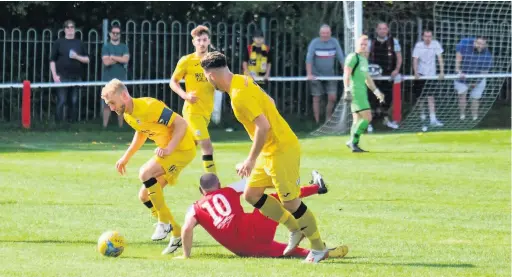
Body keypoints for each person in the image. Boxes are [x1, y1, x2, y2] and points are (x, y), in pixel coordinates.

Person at [200, 51, 329, 263]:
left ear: (212, 75)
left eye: (206, 76)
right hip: (270, 150)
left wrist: (250, 160)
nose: (207, 80)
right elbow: (269, 100)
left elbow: (264, 127)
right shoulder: (242, 79)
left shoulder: (238, 97)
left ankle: (317, 247)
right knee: (251, 194)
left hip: (281, 149)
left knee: (291, 203)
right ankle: (295, 229)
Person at [101, 79, 196, 253]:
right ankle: (176, 232)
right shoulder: (129, 114)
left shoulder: (149, 106)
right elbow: (141, 133)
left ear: (124, 95)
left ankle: (163, 223)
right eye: (109, 105)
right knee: (144, 196)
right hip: (170, 151)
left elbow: (181, 123)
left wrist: (169, 148)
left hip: (182, 149)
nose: (112, 108)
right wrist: (125, 157)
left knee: (145, 173)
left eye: (113, 103)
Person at [168, 172, 348, 260]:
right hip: (253, 229)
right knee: (271, 200)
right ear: (219, 184)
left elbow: (187, 228)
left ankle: (323, 253)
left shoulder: (195, 207)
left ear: (201, 191)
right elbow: (256, 184)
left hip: (242, 250)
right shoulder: (228, 189)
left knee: (287, 252)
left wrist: (186, 255)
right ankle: (317, 187)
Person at [169, 25, 217, 175]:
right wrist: (185, 96)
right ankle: (213, 183)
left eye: (204, 40)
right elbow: (173, 82)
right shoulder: (187, 61)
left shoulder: (215, 60)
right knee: (207, 147)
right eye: (199, 40)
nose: (202, 43)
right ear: (193, 42)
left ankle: (166, 168)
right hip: (192, 111)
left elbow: (222, 83)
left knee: (188, 148)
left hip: (206, 112)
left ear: (208, 40)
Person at [343, 35, 385, 153]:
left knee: (357, 120)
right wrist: (347, 90)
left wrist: (377, 92)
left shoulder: (364, 60)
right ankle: (353, 142)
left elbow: (367, 79)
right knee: (368, 117)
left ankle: (353, 143)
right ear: (356, 45)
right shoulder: (353, 57)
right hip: (355, 92)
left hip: (362, 92)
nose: (363, 46)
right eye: (361, 44)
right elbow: (346, 74)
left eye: (365, 45)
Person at [50, 20, 89, 123]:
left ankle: (72, 124)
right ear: (64, 30)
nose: (70, 29)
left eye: (72, 27)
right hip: (62, 76)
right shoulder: (59, 42)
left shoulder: (79, 43)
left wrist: (76, 57)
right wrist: (54, 75)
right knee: (61, 100)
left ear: (75, 29)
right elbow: (52, 60)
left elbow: (87, 60)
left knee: (74, 101)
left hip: (76, 77)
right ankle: (58, 124)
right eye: (68, 27)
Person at [306, 24, 345, 125]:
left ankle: (328, 118)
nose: (325, 35)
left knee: (332, 97)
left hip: (330, 74)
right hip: (315, 74)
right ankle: (317, 122)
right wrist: (309, 74)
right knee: (316, 97)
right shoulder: (314, 43)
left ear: (330, 33)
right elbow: (309, 59)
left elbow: (341, 58)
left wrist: (346, 72)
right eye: (323, 33)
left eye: (327, 33)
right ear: (319, 33)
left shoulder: (334, 42)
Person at [367, 22, 401, 130]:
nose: (382, 30)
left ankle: (386, 120)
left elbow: (399, 58)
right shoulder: (370, 42)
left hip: (388, 76)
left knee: (387, 99)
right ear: (377, 30)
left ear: (388, 30)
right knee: (372, 99)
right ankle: (369, 123)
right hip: (373, 76)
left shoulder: (394, 42)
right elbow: (364, 57)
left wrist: (396, 70)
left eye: (384, 29)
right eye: (380, 29)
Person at [454, 36, 493, 121]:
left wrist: (476, 82)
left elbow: (484, 73)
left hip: (478, 78)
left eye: (483, 44)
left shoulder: (487, 55)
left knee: (475, 98)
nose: (480, 46)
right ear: (474, 42)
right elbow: (458, 58)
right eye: (478, 43)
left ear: (485, 45)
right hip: (462, 76)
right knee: (462, 96)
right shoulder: (464, 44)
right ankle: (462, 116)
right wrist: (459, 71)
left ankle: (474, 117)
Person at [412, 30, 445, 128]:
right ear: (422, 37)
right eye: (426, 36)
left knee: (431, 97)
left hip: (432, 75)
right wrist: (416, 72)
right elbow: (415, 59)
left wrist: (442, 72)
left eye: (430, 36)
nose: (428, 38)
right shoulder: (418, 45)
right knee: (420, 98)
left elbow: (440, 58)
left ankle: (433, 119)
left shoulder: (436, 44)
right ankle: (422, 117)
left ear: (432, 36)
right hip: (421, 75)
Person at [102, 24, 130, 129]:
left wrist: (112, 57)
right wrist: (120, 59)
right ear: (110, 34)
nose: (115, 35)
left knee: (121, 102)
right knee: (107, 103)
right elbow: (106, 62)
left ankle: (121, 127)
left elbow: (126, 60)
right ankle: (104, 127)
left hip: (121, 79)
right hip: (108, 78)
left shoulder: (124, 46)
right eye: (113, 33)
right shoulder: (106, 47)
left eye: (117, 33)